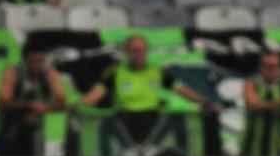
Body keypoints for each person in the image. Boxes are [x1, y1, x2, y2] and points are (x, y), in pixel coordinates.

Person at [82, 35, 215, 146]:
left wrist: (203, 101)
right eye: (135, 50)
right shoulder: (115, 72)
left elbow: (181, 89)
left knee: (179, 121)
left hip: (153, 118)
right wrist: (77, 107)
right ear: (126, 52)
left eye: (142, 50)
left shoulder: (157, 71)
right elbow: (95, 95)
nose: (139, 54)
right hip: (125, 118)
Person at [0, 44, 66, 156]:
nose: (37, 65)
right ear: (25, 61)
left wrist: (44, 108)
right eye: (33, 61)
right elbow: (3, 102)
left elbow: (62, 103)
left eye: (41, 61)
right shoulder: (12, 73)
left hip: (35, 134)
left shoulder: (50, 74)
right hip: (9, 132)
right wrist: (29, 105)